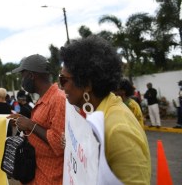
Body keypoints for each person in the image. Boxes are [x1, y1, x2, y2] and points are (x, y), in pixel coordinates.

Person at [59, 36, 150, 184]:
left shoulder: (118, 129)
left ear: (87, 84)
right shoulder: (95, 113)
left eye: (63, 80)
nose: (61, 87)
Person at [7, 54, 66, 185]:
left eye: (23, 76)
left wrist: (29, 124)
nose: (22, 81)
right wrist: (23, 121)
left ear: (31, 76)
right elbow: (42, 127)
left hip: (50, 178)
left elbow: (58, 141)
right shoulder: (44, 98)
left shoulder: (58, 99)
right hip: (37, 175)